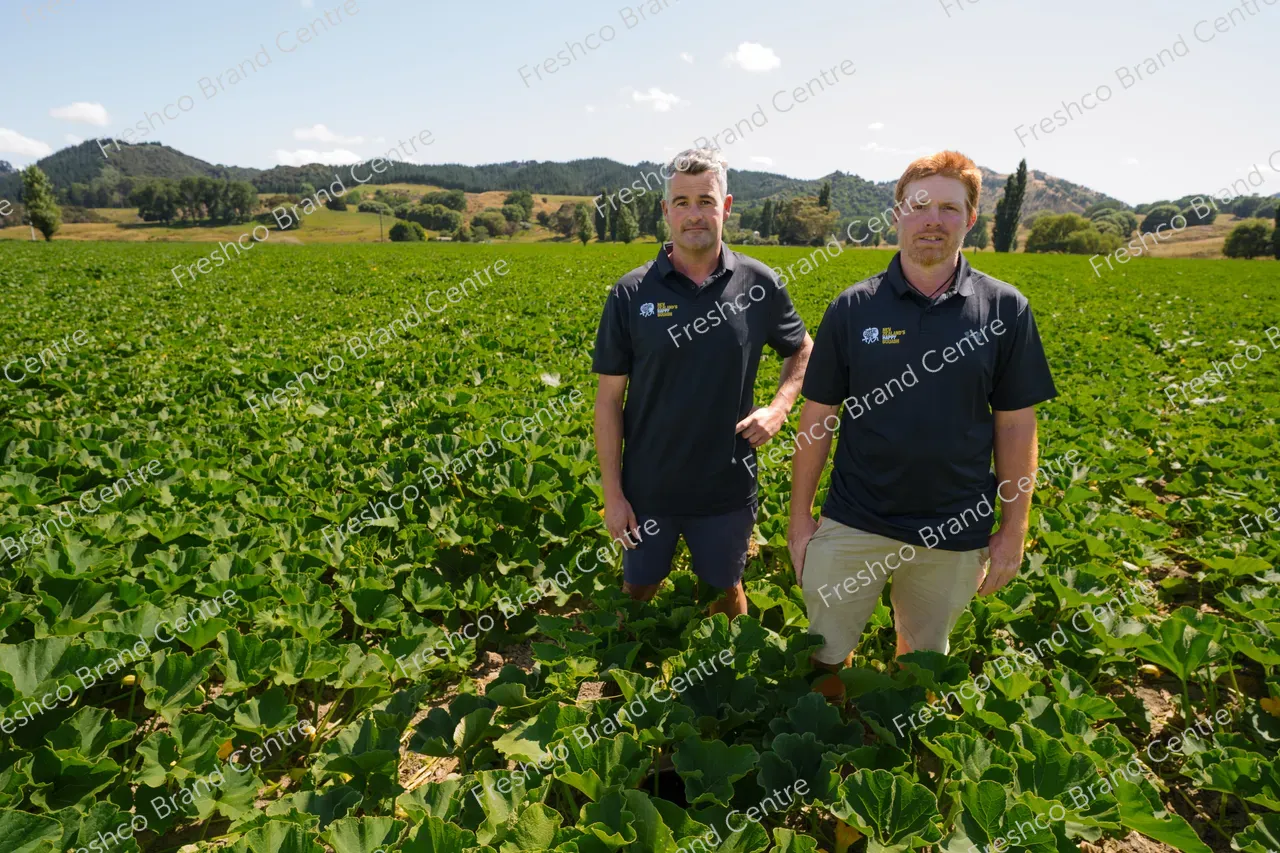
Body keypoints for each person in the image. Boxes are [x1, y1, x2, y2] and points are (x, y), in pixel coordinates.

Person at [787, 150, 1057, 697]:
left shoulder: (1006, 310)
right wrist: (799, 520)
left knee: (921, 660)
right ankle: (825, 737)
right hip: (855, 518)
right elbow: (818, 418)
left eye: (950, 209)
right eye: (920, 205)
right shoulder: (852, 308)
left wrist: (1014, 528)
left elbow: (1015, 428)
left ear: (971, 219)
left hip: (954, 530)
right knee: (824, 651)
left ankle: (892, 740)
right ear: (898, 214)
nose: (934, 219)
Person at [592, 148, 814, 619]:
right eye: (683, 201)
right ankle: (626, 676)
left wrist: (779, 407)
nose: (694, 214)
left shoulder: (759, 283)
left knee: (726, 592)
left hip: (726, 485)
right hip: (648, 487)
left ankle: (728, 679)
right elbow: (609, 402)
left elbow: (802, 349)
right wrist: (614, 495)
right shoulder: (631, 292)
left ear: (726, 207)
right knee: (639, 589)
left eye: (706, 201)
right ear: (665, 210)